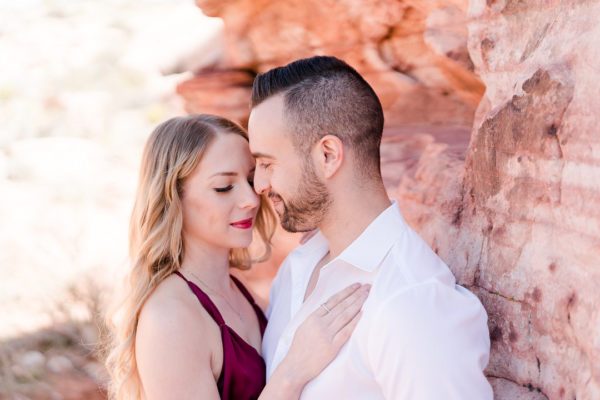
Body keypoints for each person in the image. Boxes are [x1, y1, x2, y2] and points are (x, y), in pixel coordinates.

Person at [248, 56, 493, 399]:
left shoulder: (412, 304)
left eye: (267, 163)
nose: (258, 184)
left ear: (329, 155)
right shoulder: (295, 270)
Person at [105, 114, 370, 400]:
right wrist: (293, 371)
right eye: (224, 187)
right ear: (172, 198)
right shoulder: (169, 318)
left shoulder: (238, 290)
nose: (251, 199)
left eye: (251, 179)